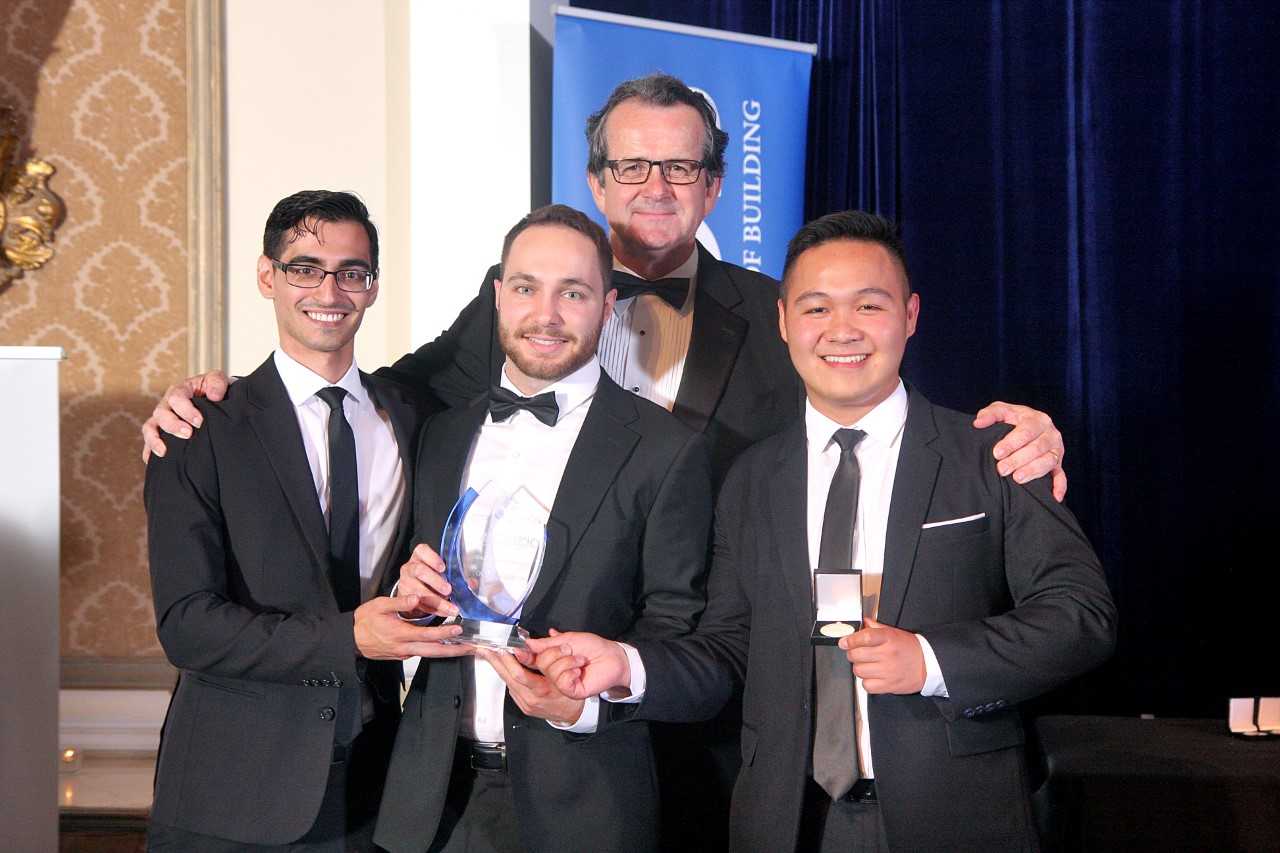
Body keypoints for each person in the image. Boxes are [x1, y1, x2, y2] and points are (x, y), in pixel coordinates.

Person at [140, 75, 1069, 850]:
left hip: (716, 726)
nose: (654, 186)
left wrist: (1017, 433)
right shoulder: (509, 318)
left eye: (680, 166)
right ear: (596, 180)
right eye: (631, 164)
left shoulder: (784, 311)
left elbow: (869, 396)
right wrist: (229, 399)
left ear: (714, 185)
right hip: (477, 758)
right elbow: (380, 397)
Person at [529, 211, 1117, 851]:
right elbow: (728, 649)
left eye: (869, 305)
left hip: (954, 815)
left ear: (910, 315)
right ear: (783, 321)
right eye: (816, 308)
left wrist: (931, 660)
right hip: (787, 822)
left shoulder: (994, 452)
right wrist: (625, 665)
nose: (842, 330)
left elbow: (1080, 616)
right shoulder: (750, 478)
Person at [371, 204, 714, 853]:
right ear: (499, 295)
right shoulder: (440, 435)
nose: (546, 314)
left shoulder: (667, 451)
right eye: (527, 288)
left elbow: (684, 638)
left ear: (607, 307)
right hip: (429, 806)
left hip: (586, 806)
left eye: (573, 293)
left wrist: (587, 703)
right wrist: (406, 598)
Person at [144, 191, 467, 851]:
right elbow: (187, 625)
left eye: (351, 272)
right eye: (305, 268)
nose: (329, 290)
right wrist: (350, 636)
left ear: (373, 286)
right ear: (268, 276)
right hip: (229, 793)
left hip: (378, 789)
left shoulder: (416, 417)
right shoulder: (199, 427)